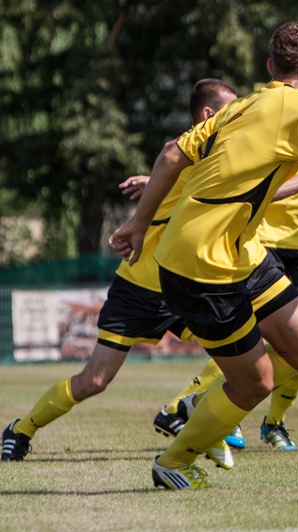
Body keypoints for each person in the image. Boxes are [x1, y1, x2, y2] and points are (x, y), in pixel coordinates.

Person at [108, 21, 298, 489]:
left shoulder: (245, 105)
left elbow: (173, 154)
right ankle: (173, 459)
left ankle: (201, 405)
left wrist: (137, 223)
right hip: (202, 264)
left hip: (241, 252)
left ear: (271, 67)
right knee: (254, 383)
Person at [1, 79, 239, 469]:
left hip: (184, 283)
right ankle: (20, 429)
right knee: (93, 382)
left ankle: (187, 414)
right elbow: (173, 173)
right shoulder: (185, 150)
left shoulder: (215, 155)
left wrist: (151, 183)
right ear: (209, 116)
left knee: (243, 357)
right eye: (232, 110)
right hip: (141, 287)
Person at [153, 92, 298, 452]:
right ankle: (198, 411)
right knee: (248, 348)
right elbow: (212, 163)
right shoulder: (258, 105)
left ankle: (271, 422)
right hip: (256, 232)